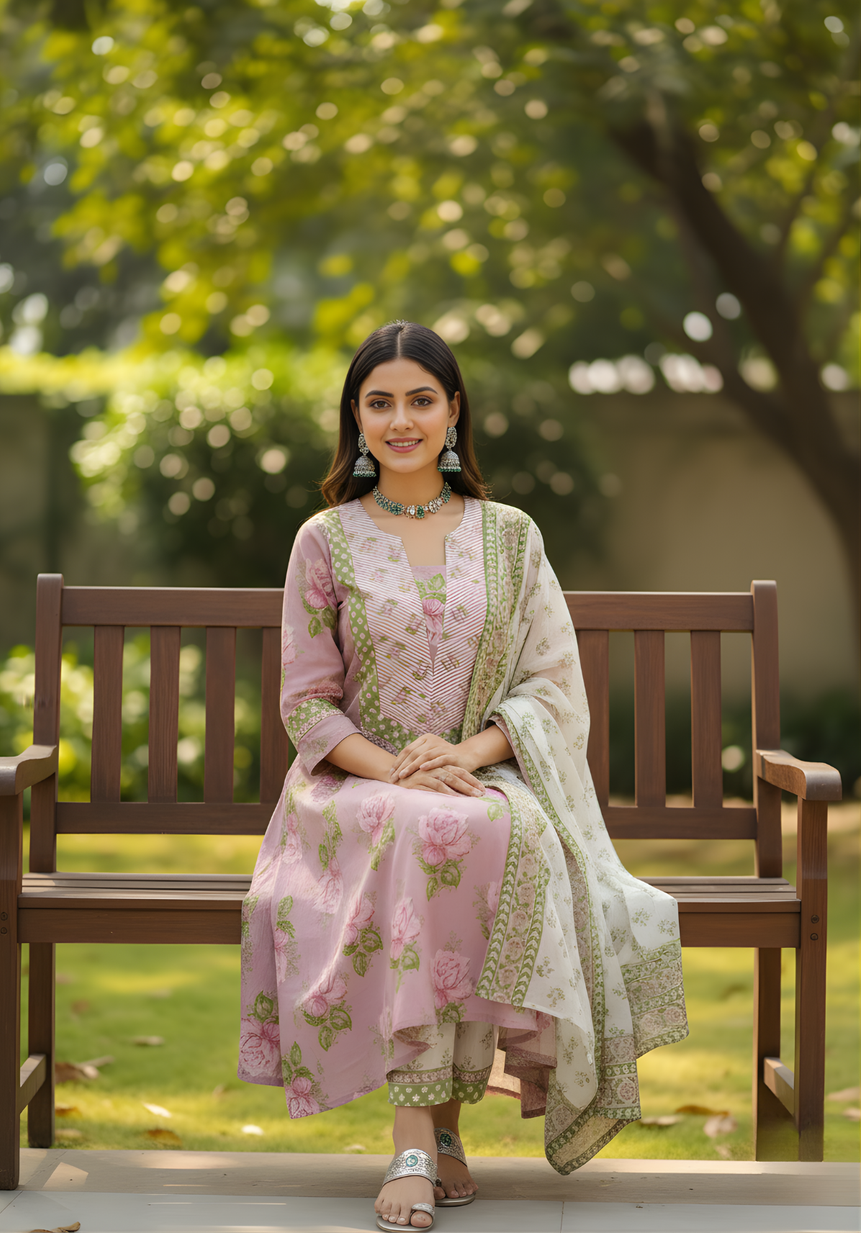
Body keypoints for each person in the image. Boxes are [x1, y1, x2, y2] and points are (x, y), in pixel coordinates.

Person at [239, 321, 688, 1230]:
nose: (400, 419)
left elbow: (551, 687)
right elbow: (307, 705)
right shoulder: (322, 540)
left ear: (453, 414)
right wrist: (402, 768)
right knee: (435, 826)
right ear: (356, 421)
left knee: (490, 826)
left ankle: (437, 1133)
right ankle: (421, 1134)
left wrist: (468, 754)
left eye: (420, 399)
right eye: (380, 402)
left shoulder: (511, 537)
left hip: (478, 775)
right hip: (352, 789)